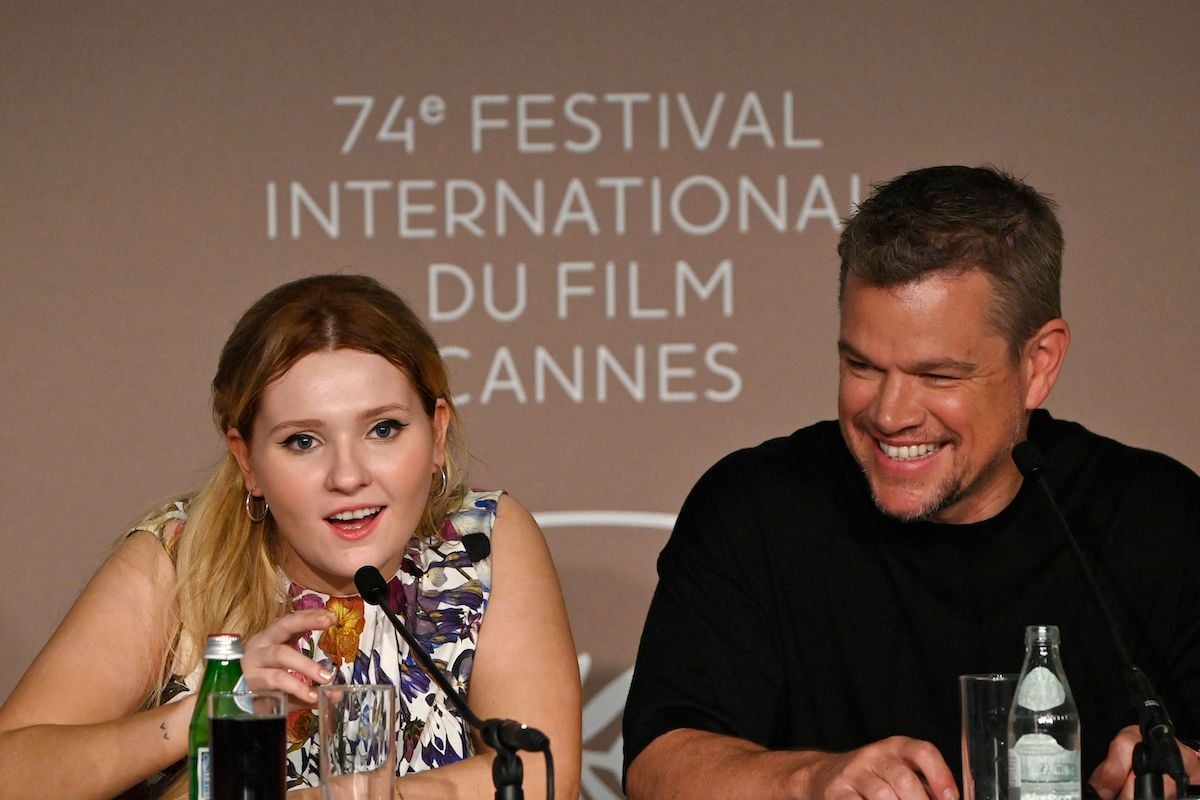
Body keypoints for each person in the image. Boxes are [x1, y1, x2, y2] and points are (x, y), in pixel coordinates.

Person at [622, 166, 1200, 800]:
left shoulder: (1157, 516)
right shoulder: (754, 507)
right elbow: (659, 765)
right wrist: (811, 781)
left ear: (1039, 364)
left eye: (938, 376)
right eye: (861, 365)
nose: (891, 414)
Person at [0, 274, 581, 799]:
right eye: (303, 441)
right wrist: (206, 714)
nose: (348, 476)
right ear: (246, 460)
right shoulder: (177, 559)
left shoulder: (479, 543)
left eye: (384, 429)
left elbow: (536, 772)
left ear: (436, 433)